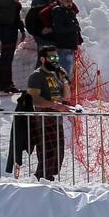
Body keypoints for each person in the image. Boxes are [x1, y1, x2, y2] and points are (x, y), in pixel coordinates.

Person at [26, 45, 72, 180]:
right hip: (43, 119)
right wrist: (54, 106)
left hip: (56, 119)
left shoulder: (56, 75)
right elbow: (33, 99)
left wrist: (64, 79)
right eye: (51, 57)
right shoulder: (36, 76)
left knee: (58, 154)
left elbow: (66, 97)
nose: (55, 60)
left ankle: (48, 179)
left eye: (56, 57)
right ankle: (41, 180)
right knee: (47, 153)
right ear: (43, 59)